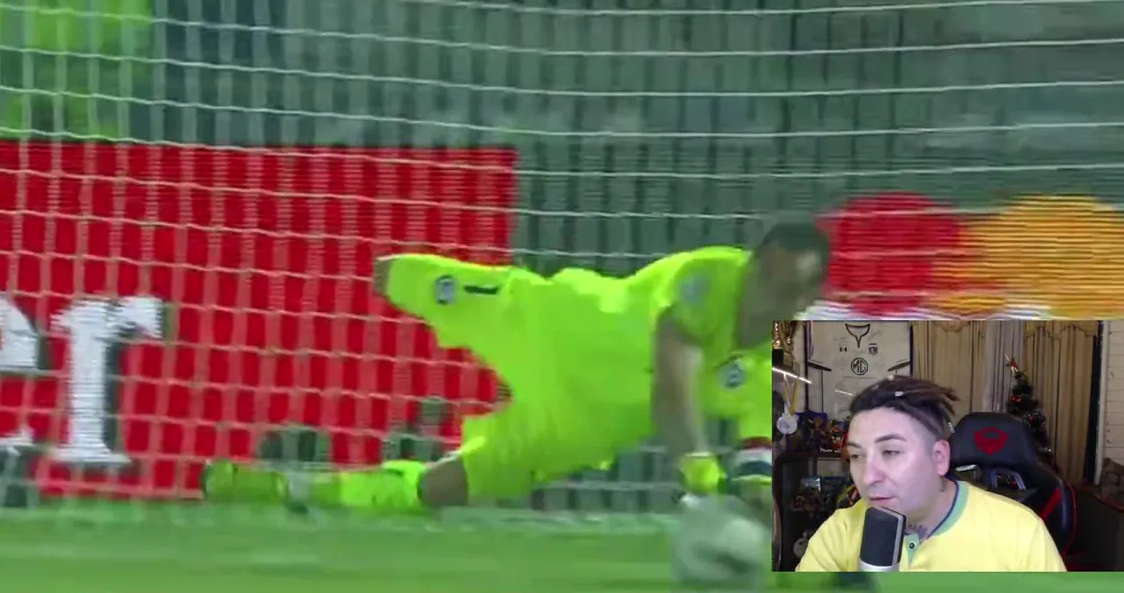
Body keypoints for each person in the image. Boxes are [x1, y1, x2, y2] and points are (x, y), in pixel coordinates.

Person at [200, 220, 830, 516]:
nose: (759, 295)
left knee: (436, 491)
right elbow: (672, 385)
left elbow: (756, 463)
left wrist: (750, 519)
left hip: (582, 424)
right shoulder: (709, 277)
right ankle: (240, 297)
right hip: (553, 324)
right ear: (750, 265)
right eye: (759, 277)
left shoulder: (784, 365)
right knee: (394, 275)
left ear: (805, 297)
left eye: (780, 290)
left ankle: (288, 489)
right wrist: (699, 472)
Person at [796, 376, 1067, 572]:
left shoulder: (1019, 533)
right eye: (856, 456)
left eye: (890, 452)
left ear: (939, 458)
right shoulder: (840, 531)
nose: (868, 478)